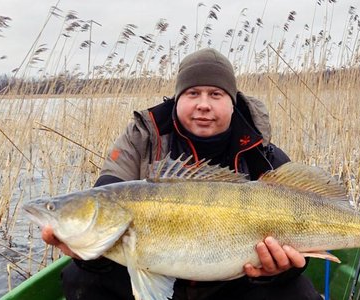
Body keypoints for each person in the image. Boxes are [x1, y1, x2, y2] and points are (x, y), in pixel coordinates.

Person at [42, 48, 322, 300]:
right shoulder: (142, 138)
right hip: (160, 276)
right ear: (177, 99)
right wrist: (92, 254)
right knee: (81, 277)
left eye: (216, 94)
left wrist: (279, 271)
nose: (203, 104)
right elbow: (109, 189)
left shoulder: (262, 153)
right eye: (192, 93)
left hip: (234, 282)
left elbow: (303, 231)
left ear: (232, 102)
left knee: (296, 291)